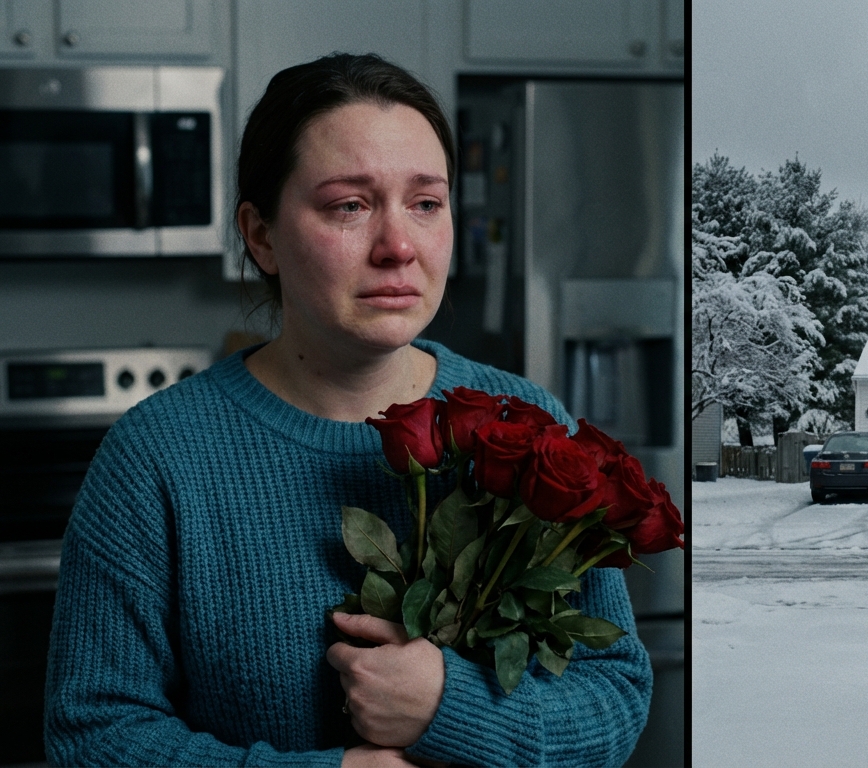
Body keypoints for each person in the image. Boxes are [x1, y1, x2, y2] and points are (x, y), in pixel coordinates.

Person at [45, 53, 652, 767]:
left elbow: (615, 696)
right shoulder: (156, 457)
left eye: (426, 203)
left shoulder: (529, 421)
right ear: (261, 235)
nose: (399, 247)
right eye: (349, 206)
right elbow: (92, 737)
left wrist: (444, 705)